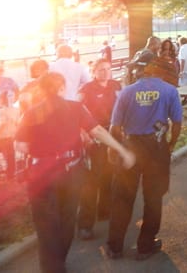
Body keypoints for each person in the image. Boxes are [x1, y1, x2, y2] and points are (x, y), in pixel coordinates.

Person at [16, 71, 135, 273]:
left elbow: (20, 146)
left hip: (40, 175)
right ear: (62, 88)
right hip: (70, 172)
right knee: (67, 219)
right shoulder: (75, 107)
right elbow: (97, 131)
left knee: (45, 226)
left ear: (41, 89)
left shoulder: (30, 112)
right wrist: (121, 149)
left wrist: (42, 150)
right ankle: (59, 262)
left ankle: (52, 267)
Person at [105, 54, 183, 260]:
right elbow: (177, 124)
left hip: (131, 146)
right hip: (157, 148)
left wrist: (115, 149)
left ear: (140, 70)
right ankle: (145, 245)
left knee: (122, 197)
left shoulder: (126, 92)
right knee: (153, 197)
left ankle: (114, 247)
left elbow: (115, 126)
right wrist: (170, 145)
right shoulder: (169, 90)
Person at [76, 59, 121, 240]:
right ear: (93, 71)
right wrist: (83, 134)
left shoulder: (116, 85)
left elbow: (122, 105)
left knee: (109, 177)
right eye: (101, 70)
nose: (105, 72)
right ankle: (85, 225)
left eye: (108, 69)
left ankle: (105, 211)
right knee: (91, 182)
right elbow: (76, 112)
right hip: (94, 139)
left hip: (112, 136)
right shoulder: (86, 90)